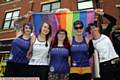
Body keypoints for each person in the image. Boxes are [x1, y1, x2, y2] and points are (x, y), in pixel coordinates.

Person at [4, 12, 33, 77]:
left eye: (30, 28)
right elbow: (14, 22)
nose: (28, 29)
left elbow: (30, 53)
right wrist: (25, 16)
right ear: (23, 28)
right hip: (11, 63)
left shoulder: (31, 40)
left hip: (22, 65)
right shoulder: (19, 34)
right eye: (26, 28)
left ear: (31, 30)